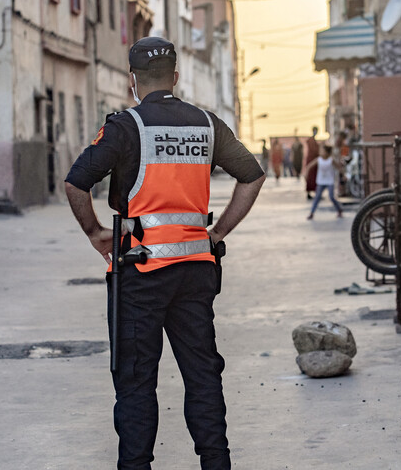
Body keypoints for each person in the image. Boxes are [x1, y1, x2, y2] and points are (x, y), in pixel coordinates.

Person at [64, 36, 265, 470]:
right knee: (203, 376)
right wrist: (217, 231)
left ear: (132, 81)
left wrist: (96, 233)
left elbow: (76, 183)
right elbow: (252, 176)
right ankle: (217, 463)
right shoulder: (207, 124)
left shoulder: (125, 127)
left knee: (136, 383)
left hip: (140, 273)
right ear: (176, 77)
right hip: (196, 271)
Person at [302, 145, 343, 220]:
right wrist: (306, 174)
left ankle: (339, 209)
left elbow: (338, 167)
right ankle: (312, 213)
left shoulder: (331, 160)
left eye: (322, 151)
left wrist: (343, 174)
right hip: (321, 181)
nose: (321, 152)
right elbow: (309, 166)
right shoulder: (319, 159)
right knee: (317, 197)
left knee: (331, 197)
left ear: (327, 153)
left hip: (329, 181)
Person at [303, 126, 319, 199]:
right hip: (311, 160)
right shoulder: (311, 140)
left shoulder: (314, 140)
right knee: (310, 177)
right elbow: (314, 150)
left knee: (314, 177)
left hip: (314, 160)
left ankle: (316, 192)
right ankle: (309, 193)